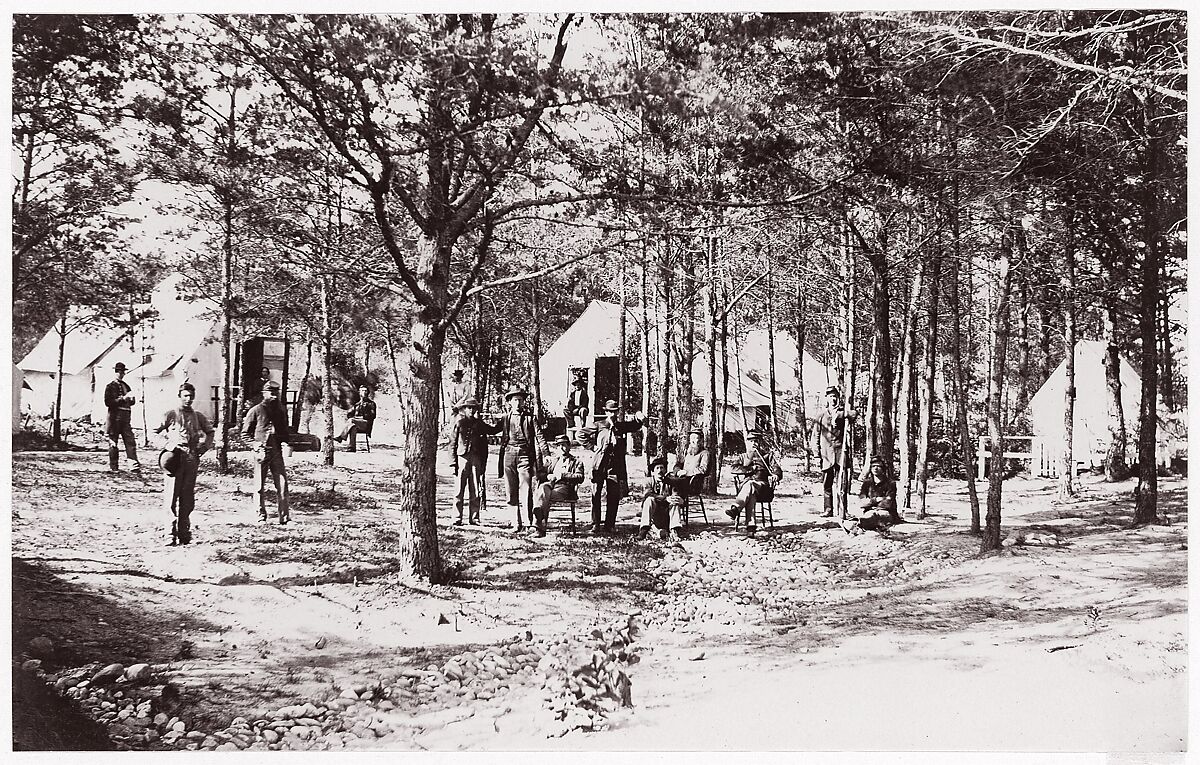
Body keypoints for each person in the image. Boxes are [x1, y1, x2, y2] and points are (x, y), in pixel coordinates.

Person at [154, 382, 214, 546]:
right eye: (185, 396)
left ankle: (184, 533)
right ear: (179, 396)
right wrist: (167, 446)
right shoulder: (171, 414)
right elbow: (154, 432)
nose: (188, 399)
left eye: (191, 396)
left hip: (192, 459)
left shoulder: (198, 416)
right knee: (171, 497)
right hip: (175, 458)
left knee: (187, 498)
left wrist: (203, 447)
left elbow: (210, 432)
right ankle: (169, 533)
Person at [589, 400, 646, 534]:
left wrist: (639, 415)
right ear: (606, 412)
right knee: (596, 494)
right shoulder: (599, 425)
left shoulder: (621, 426)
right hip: (599, 465)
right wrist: (593, 447)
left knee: (613, 496)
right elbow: (581, 435)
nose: (613, 414)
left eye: (615, 411)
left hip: (613, 466)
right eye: (610, 411)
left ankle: (610, 525)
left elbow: (636, 425)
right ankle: (595, 524)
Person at [495, 386, 545, 532]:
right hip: (508, 454)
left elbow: (540, 436)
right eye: (515, 400)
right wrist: (473, 423)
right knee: (511, 489)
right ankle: (515, 523)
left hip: (524, 455)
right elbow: (493, 430)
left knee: (526, 487)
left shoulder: (530, 418)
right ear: (510, 402)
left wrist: (546, 453)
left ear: (524, 402)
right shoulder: (505, 418)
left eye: (520, 400)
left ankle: (529, 522)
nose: (518, 403)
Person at [242, 380, 293, 524]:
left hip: (276, 452)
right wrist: (255, 445)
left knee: (282, 484)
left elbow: (284, 431)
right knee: (259, 486)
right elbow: (244, 434)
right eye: (271, 393)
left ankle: (284, 517)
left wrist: (285, 442)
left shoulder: (281, 410)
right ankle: (260, 516)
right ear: (264, 394)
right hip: (261, 452)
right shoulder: (256, 411)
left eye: (276, 393)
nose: (275, 397)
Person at [449, 395, 501, 526]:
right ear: (464, 409)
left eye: (474, 408)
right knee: (459, 490)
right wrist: (452, 462)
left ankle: (474, 518)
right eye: (469, 408)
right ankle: (456, 517)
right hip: (462, 458)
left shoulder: (480, 424)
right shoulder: (459, 423)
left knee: (476, 489)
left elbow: (493, 430)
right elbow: (452, 444)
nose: (471, 410)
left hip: (476, 460)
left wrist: (504, 421)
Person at [726, 429, 783, 535]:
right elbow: (733, 468)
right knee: (750, 492)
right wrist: (750, 469)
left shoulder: (767, 456)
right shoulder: (743, 457)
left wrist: (776, 475)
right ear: (747, 443)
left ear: (759, 443)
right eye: (751, 441)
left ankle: (736, 508)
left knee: (750, 485)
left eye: (756, 441)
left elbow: (777, 468)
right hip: (747, 489)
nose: (754, 443)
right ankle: (751, 527)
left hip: (763, 487)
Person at [811, 385, 856, 517]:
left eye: (835, 396)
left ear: (838, 398)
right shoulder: (821, 415)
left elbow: (854, 414)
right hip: (826, 456)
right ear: (827, 398)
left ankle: (843, 510)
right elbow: (815, 436)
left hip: (840, 454)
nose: (833, 399)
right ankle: (828, 509)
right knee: (827, 484)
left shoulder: (844, 412)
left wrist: (840, 415)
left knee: (842, 484)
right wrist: (816, 455)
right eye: (830, 397)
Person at [532, 434, 585, 537]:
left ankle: (539, 527)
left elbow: (580, 477)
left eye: (564, 445)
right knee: (543, 488)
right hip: (550, 485)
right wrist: (548, 476)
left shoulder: (576, 462)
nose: (561, 448)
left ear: (569, 446)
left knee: (542, 497)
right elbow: (539, 474)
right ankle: (539, 514)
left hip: (564, 488)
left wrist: (563, 475)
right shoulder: (553, 461)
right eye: (558, 445)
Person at [635, 456, 687, 542]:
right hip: (653, 513)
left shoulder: (670, 481)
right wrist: (665, 499)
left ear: (665, 470)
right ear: (653, 471)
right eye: (657, 468)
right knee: (649, 500)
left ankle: (675, 530)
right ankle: (643, 530)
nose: (660, 471)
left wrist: (679, 499)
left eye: (662, 468)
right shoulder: (648, 481)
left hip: (667, 514)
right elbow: (647, 494)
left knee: (675, 501)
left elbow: (675, 494)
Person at [104, 361, 141, 473]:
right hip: (115, 419)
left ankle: (133, 466)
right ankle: (114, 467)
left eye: (122, 372)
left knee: (130, 442)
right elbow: (108, 402)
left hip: (125, 419)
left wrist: (131, 399)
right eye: (118, 372)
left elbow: (132, 401)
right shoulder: (110, 386)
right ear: (115, 372)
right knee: (113, 443)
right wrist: (122, 399)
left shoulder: (126, 386)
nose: (120, 374)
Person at [849, 456, 901, 532]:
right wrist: (876, 499)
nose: (875, 468)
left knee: (875, 516)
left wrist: (870, 503)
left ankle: (857, 527)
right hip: (869, 511)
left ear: (883, 469)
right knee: (870, 515)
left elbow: (887, 503)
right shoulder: (867, 483)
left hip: (886, 513)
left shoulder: (890, 483)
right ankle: (857, 526)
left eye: (878, 466)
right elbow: (861, 503)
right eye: (873, 466)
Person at [335, 384, 376, 451]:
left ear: (368, 392)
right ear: (360, 392)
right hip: (357, 423)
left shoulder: (371, 404)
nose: (364, 392)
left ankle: (341, 437)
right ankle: (352, 448)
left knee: (351, 421)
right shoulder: (357, 404)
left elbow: (373, 416)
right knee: (353, 427)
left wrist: (364, 414)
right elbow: (349, 414)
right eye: (362, 391)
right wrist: (349, 412)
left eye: (366, 391)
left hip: (366, 424)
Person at [671, 427, 710, 497]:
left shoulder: (704, 453)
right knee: (666, 480)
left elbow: (703, 469)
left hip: (693, 484)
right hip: (682, 480)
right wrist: (678, 471)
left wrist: (687, 472)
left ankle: (676, 503)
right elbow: (678, 464)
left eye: (696, 438)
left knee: (673, 483)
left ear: (701, 440)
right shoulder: (687, 453)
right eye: (692, 438)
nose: (693, 441)